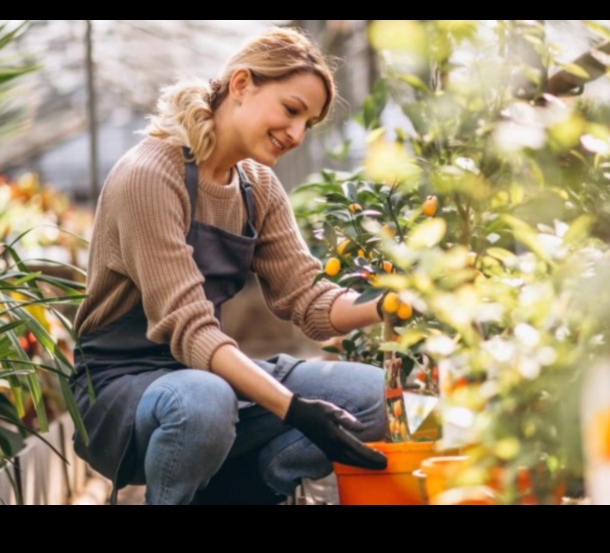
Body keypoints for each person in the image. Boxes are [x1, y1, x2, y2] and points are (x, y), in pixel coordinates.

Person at [70, 27, 389, 505]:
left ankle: (249, 488)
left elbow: (309, 299)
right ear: (241, 84)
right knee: (203, 401)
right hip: (123, 388)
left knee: (371, 396)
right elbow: (193, 330)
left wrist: (395, 302)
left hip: (208, 375)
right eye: (291, 109)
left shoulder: (255, 184)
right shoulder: (151, 176)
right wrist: (295, 410)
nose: (297, 134)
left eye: (309, 123)